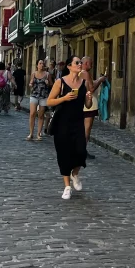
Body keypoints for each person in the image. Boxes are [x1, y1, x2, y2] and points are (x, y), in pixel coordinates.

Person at [47, 56, 90, 199]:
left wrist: (89, 99)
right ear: (69, 66)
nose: (80, 64)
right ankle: (67, 186)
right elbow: (50, 101)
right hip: (62, 123)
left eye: (80, 63)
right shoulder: (61, 82)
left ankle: (75, 173)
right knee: (64, 154)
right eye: (77, 63)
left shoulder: (84, 82)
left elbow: (87, 106)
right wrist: (64, 98)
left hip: (78, 122)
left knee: (81, 151)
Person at [80, 56, 107, 159]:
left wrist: (97, 80)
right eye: (91, 62)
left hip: (81, 104)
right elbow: (91, 88)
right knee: (86, 129)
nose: (92, 64)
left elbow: (88, 84)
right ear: (86, 63)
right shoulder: (85, 73)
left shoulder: (79, 73)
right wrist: (100, 80)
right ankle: (82, 150)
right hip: (88, 105)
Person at [28, 59, 50, 141]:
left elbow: (52, 84)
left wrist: (48, 83)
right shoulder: (33, 74)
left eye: (43, 63)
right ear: (37, 65)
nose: (41, 65)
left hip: (43, 96)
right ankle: (31, 133)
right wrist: (30, 84)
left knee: (41, 115)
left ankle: (38, 133)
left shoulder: (47, 74)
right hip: (34, 95)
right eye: (40, 63)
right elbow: (31, 82)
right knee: (32, 113)